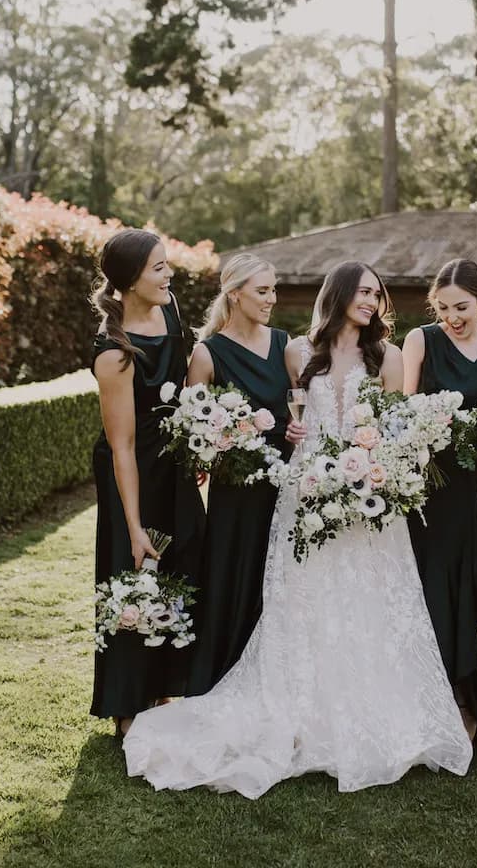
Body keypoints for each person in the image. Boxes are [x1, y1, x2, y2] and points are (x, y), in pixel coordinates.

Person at [124, 261, 471, 798]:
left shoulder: (391, 356)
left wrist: (368, 467)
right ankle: (301, 711)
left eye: (376, 294)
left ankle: (369, 711)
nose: (371, 301)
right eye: (362, 291)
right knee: (302, 604)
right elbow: (295, 418)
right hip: (304, 491)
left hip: (368, 493)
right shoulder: (298, 352)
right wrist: (293, 431)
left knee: (369, 600)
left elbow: (394, 428)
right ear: (336, 295)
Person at [89, 229, 205, 735]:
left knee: (183, 562)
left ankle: (167, 690)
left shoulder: (171, 310)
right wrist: (133, 525)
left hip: (174, 464)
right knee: (134, 571)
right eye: (157, 268)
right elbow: (123, 447)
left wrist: (197, 443)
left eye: (166, 265)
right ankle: (126, 708)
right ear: (129, 281)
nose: (168, 275)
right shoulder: (113, 353)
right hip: (131, 471)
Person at [402, 259, 477, 739]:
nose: (452, 317)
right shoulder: (420, 340)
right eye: (444, 307)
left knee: (456, 578)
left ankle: (457, 689)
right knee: (419, 576)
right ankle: (412, 686)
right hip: (420, 481)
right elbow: (403, 409)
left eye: (463, 308)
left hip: (467, 479)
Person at [183, 255, 292, 695]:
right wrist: (222, 440)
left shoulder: (285, 344)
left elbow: (303, 404)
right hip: (235, 492)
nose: (271, 299)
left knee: (278, 579)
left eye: (273, 289)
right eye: (262, 291)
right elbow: (192, 431)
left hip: (284, 484)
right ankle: (224, 677)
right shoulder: (207, 354)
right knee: (235, 576)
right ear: (235, 295)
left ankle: (275, 680)